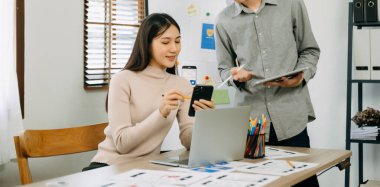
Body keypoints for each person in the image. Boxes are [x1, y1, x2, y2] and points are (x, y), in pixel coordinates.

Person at [83, 13, 214, 171]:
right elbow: (122, 144)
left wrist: (206, 122)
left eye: (178, 41)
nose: (174, 49)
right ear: (147, 44)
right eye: (165, 42)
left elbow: (187, 140)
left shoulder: (181, 84)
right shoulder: (122, 80)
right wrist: (160, 113)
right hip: (109, 166)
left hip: (146, 168)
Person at [215, 0, 320, 186]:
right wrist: (235, 76)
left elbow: (309, 50)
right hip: (252, 126)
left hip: (291, 119)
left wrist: (301, 76)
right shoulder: (223, 20)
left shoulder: (291, 4)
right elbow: (224, 69)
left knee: (303, 183)